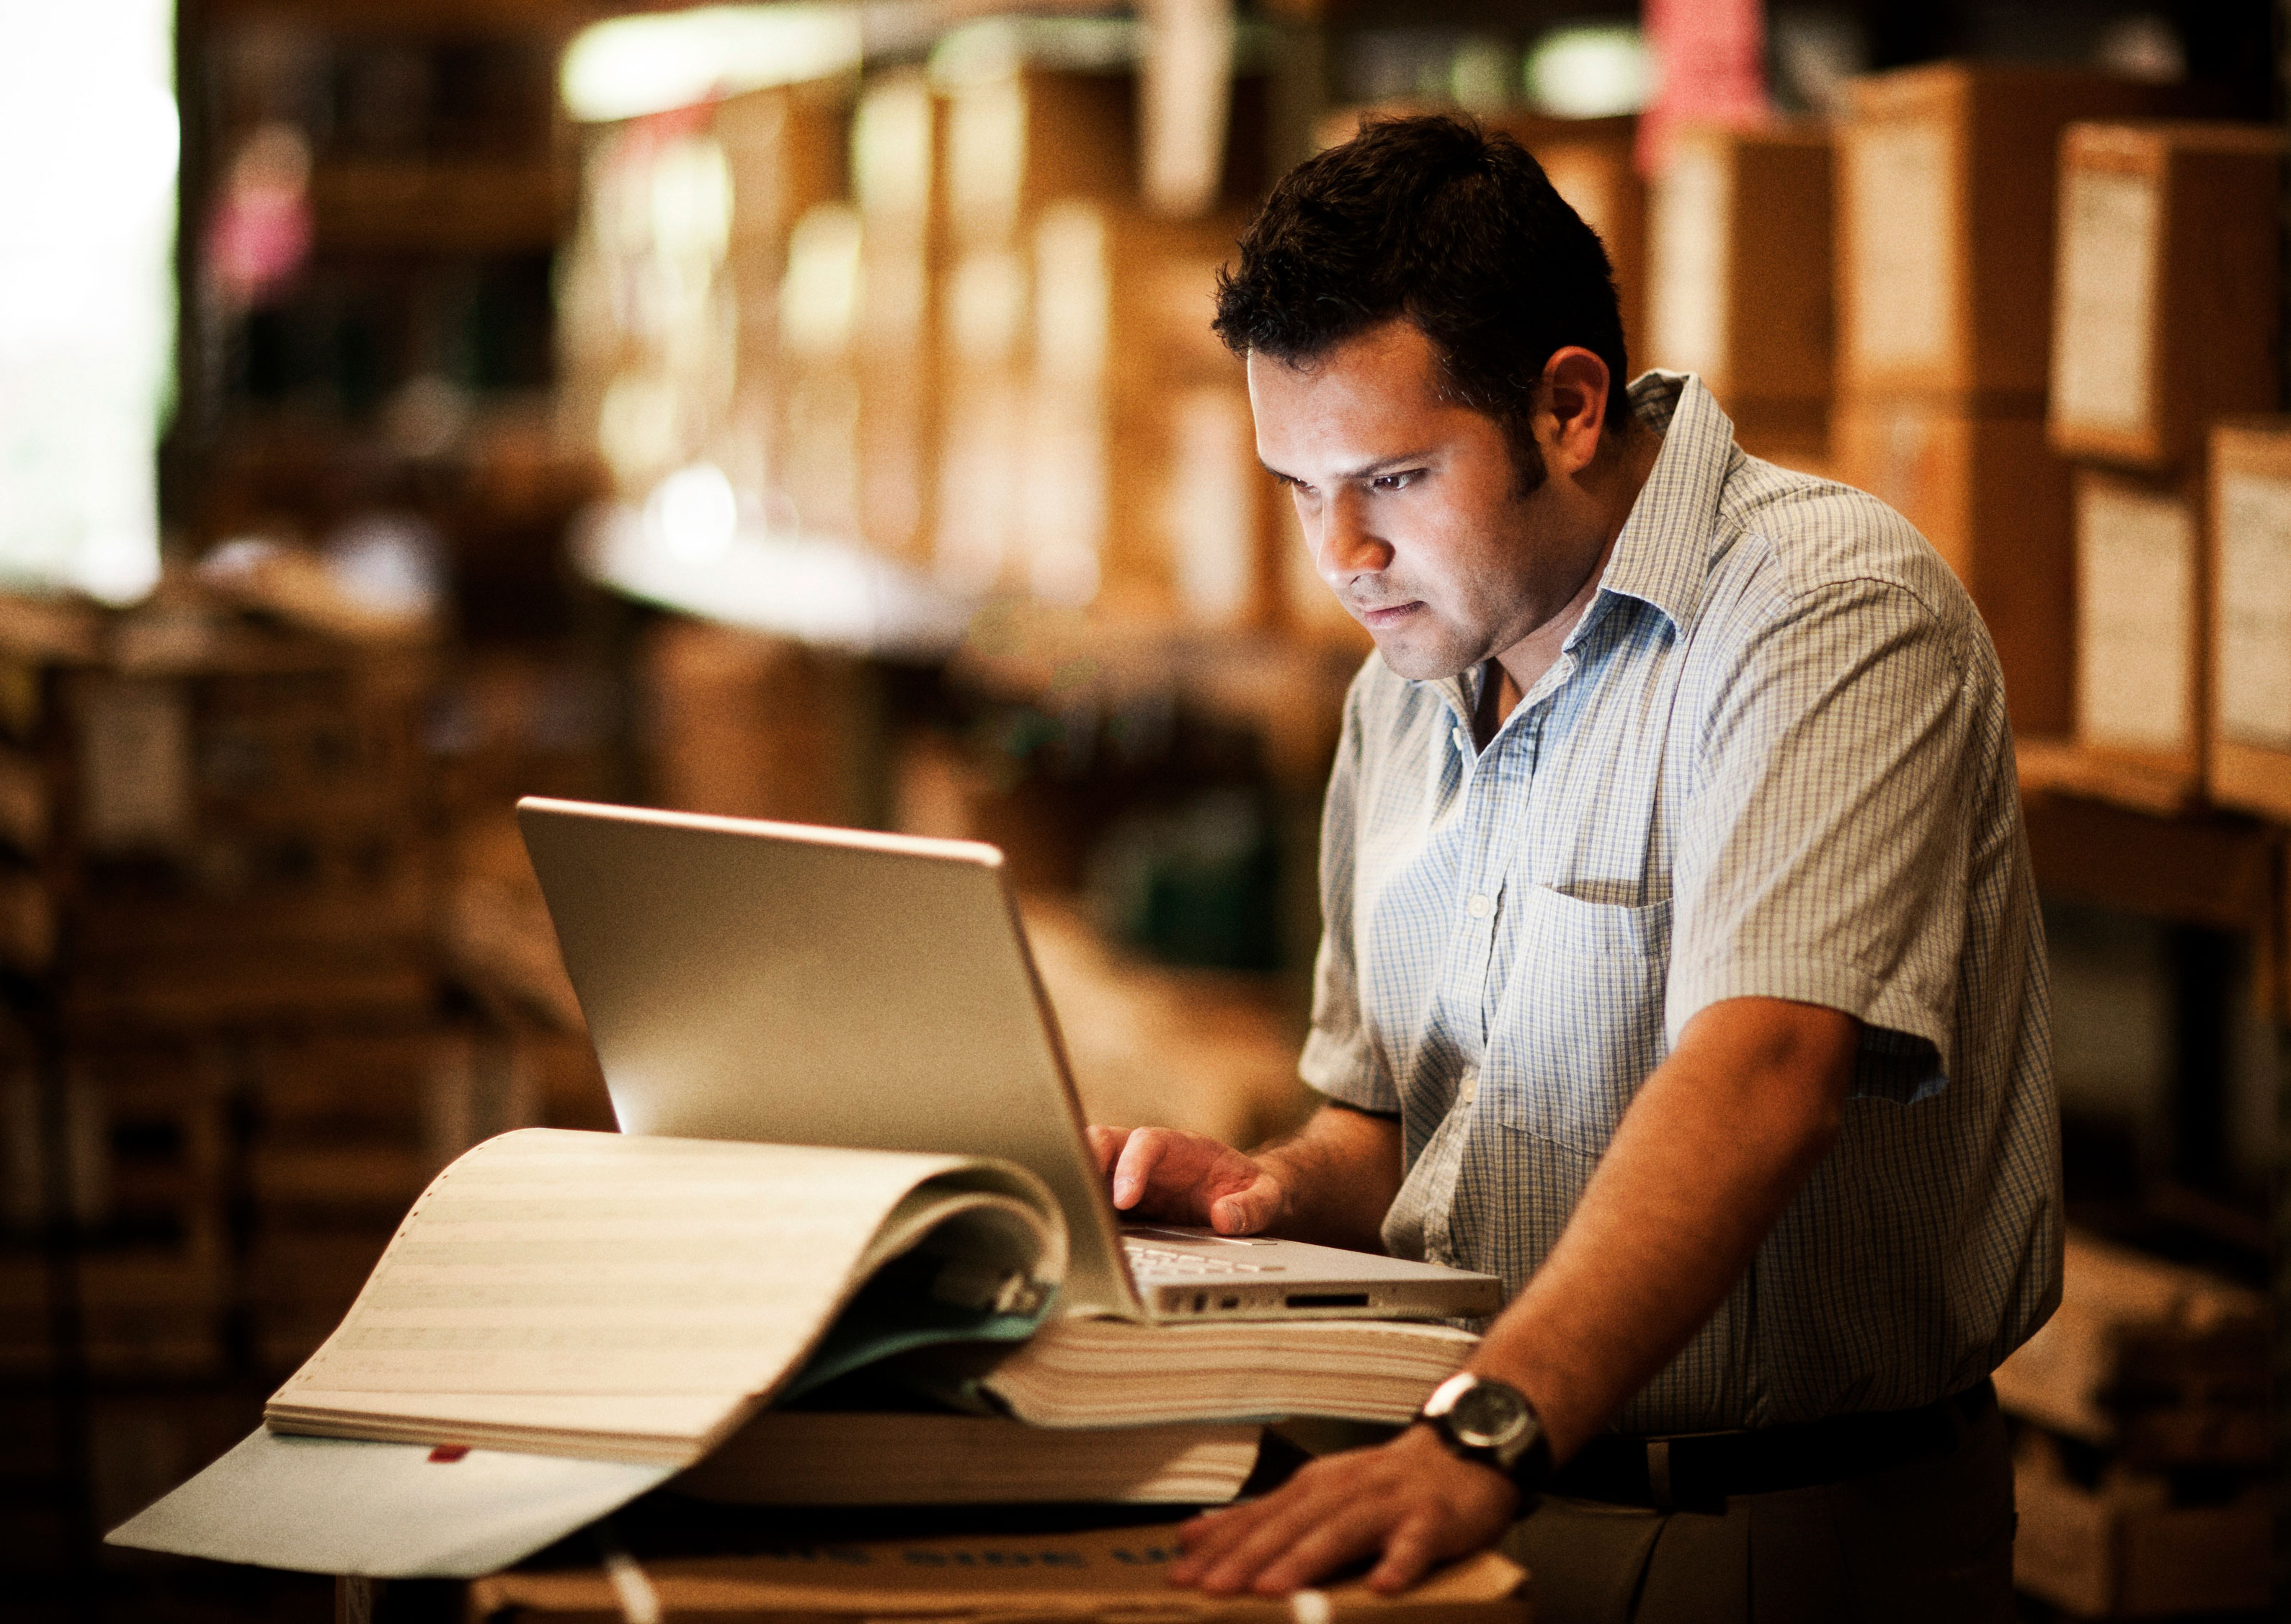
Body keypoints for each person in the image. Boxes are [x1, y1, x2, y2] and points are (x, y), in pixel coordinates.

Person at [1087, 115, 2059, 1623]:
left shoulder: (1827, 617)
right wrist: (1272, 1193)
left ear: (1567, 406)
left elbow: (1765, 1073)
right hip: (1464, 1482)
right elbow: (1395, 1118)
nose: (1339, 551)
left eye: (1393, 475)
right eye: (1296, 485)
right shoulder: (1399, 686)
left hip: (1763, 1533)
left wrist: (1483, 1426)